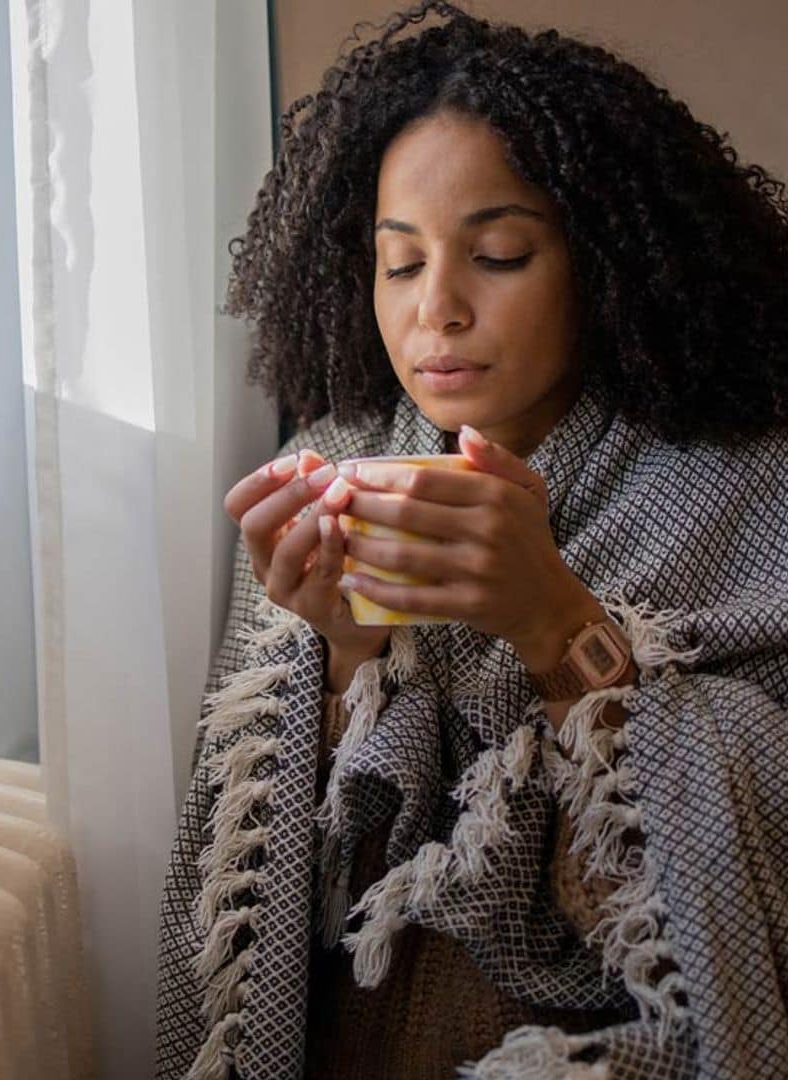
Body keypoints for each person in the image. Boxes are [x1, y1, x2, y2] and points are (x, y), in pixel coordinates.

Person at [155, 3, 788, 1078]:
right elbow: (270, 913)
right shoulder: (330, 463)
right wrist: (341, 656)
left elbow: (754, 885)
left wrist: (558, 626)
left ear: (602, 261)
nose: (435, 309)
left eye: (496, 254)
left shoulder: (745, 487)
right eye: (401, 265)